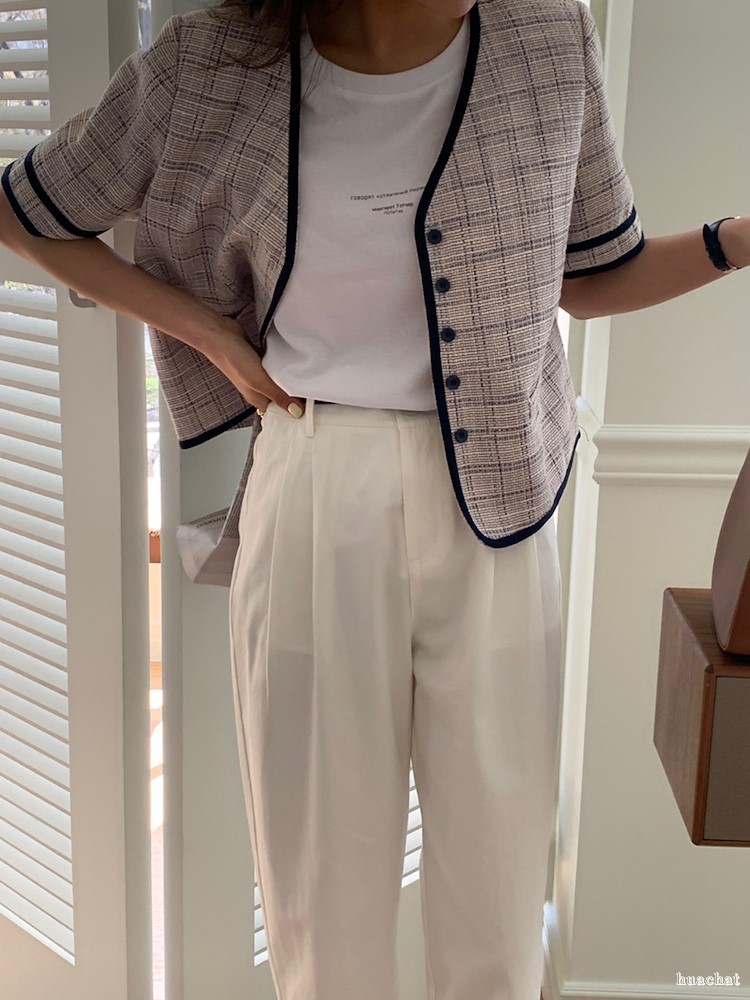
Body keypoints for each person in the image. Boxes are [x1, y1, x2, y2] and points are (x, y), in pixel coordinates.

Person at [0, 1, 747, 998]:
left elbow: (595, 271)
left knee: (497, 885)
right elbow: (25, 210)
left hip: (500, 504)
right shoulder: (210, 63)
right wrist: (207, 334)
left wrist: (735, 241)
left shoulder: (548, 41)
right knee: (320, 890)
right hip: (317, 482)